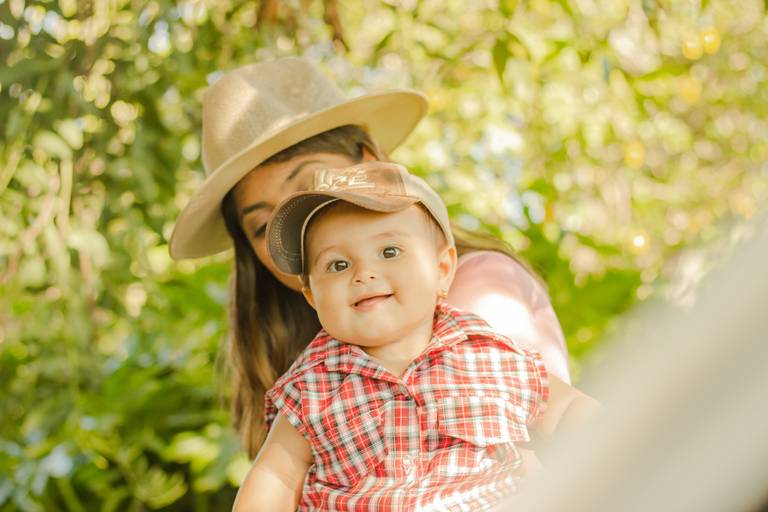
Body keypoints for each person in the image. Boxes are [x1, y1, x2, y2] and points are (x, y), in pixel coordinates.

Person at [169, 56, 572, 459]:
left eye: (312, 186)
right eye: (262, 227)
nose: (296, 231)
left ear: (373, 161)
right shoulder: (307, 372)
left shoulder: (482, 291)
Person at [231, 161, 599, 511]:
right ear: (312, 295)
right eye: (337, 264)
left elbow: (563, 410)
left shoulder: (484, 354)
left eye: (389, 251)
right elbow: (276, 476)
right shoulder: (311, 386)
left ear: (442, 269)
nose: (363, 273)